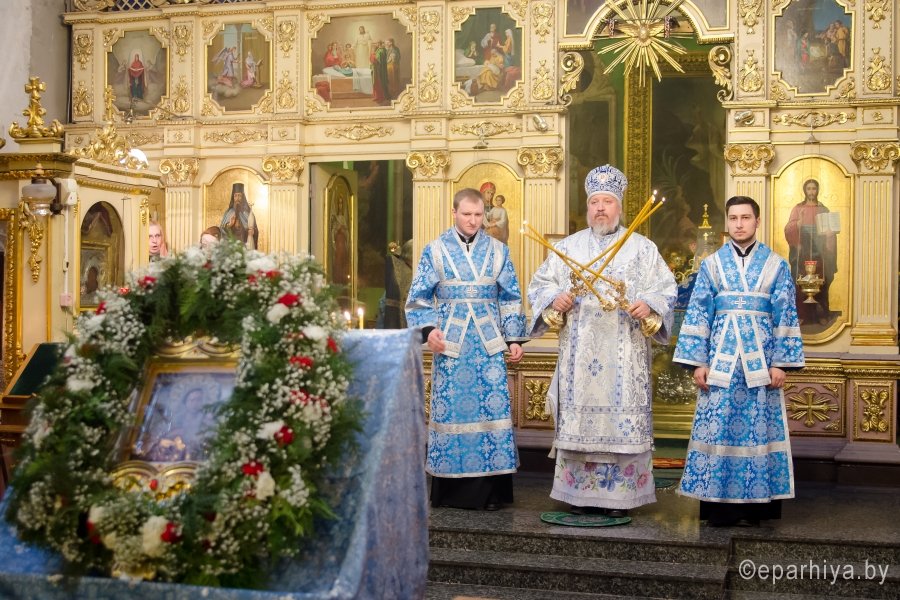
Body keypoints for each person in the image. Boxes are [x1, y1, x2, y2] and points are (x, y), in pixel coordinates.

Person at [526, 164, 677, 517]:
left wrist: (648, 304)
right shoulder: (567, 247)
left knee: (621, 421)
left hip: (626, 354)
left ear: (619, 206)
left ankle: (620, 499)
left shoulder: (642, 248)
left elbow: (666, 289)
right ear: (588, 206)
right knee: (579, 420)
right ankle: (578, 496)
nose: (600, 209)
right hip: (579, 358)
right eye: (595, 202)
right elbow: (539, 285)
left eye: (607, 202)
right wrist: (555, 298)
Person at [674, 196, 805, 527]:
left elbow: (786, 314)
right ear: (727, 223)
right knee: (718, 430)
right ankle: (719, 508)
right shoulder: (712, 264)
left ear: (757, 221)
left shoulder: (776, 265)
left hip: (761, 365)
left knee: (757, 431)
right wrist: (697, 362)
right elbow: (698, 313)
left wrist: (781, 363)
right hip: (720, 365)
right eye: (733, 218)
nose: (739, 224)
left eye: (746, 217)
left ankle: (756, 508)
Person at [406, 187, 527, 511]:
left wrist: (514, 338)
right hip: (451, 344)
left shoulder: (499, 251)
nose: (473, 221)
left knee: (490, 413)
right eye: (466, 214)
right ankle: (450, 492)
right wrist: (429, 331)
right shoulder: (435, 250)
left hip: (489, 346)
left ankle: (491, 494)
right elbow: (418, 299)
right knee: (454, 412)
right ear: (454, 213)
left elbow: (511, 298)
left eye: (478, 215)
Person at [783, 178, 837, 325]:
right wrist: (799, 223)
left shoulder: (823, 209)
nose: (811, 192)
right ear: (805, 191)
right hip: (803, 246)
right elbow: (789, 229)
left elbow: (830, 230)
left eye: (814, 188)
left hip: (820, 247)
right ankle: (802, 314)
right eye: (809, 189)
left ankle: (822, 314)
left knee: (821, 278)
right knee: (801, 278)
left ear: (817, 190)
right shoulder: (798, 208)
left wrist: (829, 236)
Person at [220, 183, 259, 250]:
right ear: (233, 197)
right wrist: (229, 225)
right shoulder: (228, 213)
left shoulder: (248, 214)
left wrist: (253, 232)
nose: (237, 198)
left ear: (243, 197)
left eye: (239, 196)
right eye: (235, 196)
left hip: (245, 246)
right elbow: (221, 230)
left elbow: (255, 230)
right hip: (231, 247)